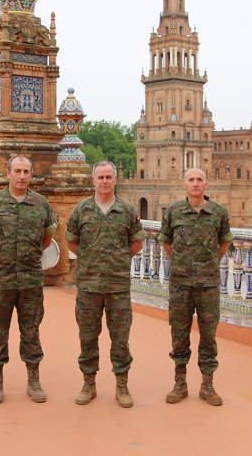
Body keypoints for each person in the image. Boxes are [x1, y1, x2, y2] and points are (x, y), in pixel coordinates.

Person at [0, 155, 57, 404]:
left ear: (31, 175)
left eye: (26, 171)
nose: (22, 176)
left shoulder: (41, 204)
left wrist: (30, 255)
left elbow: (47, 238)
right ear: (7, 174)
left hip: (31, 280)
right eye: (17, 171)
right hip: (1, 280)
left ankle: (33, 381)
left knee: (31, 330)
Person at [66, 161, 145, 408]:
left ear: (115, 179)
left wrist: (116, 261)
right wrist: (92, 261)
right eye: (100, 177)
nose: (104, 181)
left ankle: (122, 385)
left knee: (120, 338)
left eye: (109, 177)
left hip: (118, 287)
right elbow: (72, 243)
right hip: (88, 287)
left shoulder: (128, 210)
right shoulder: (81, 210)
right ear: (93, 180)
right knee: (88, 337)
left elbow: (136, 244)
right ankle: (89, 384)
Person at [159, 167, 232, 406]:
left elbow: (223, 244)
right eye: (191, 179)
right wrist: (182, 264)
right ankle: (180, 383)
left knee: (208, 334)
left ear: (206, 184)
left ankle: (207, 384)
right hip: (180, 284)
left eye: (200, 179)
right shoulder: (174, 211)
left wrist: (207, 264)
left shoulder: (218, 212)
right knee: (179, 333)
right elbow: (166, 242)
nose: (195, 183)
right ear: (184, 184)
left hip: (208, 284)